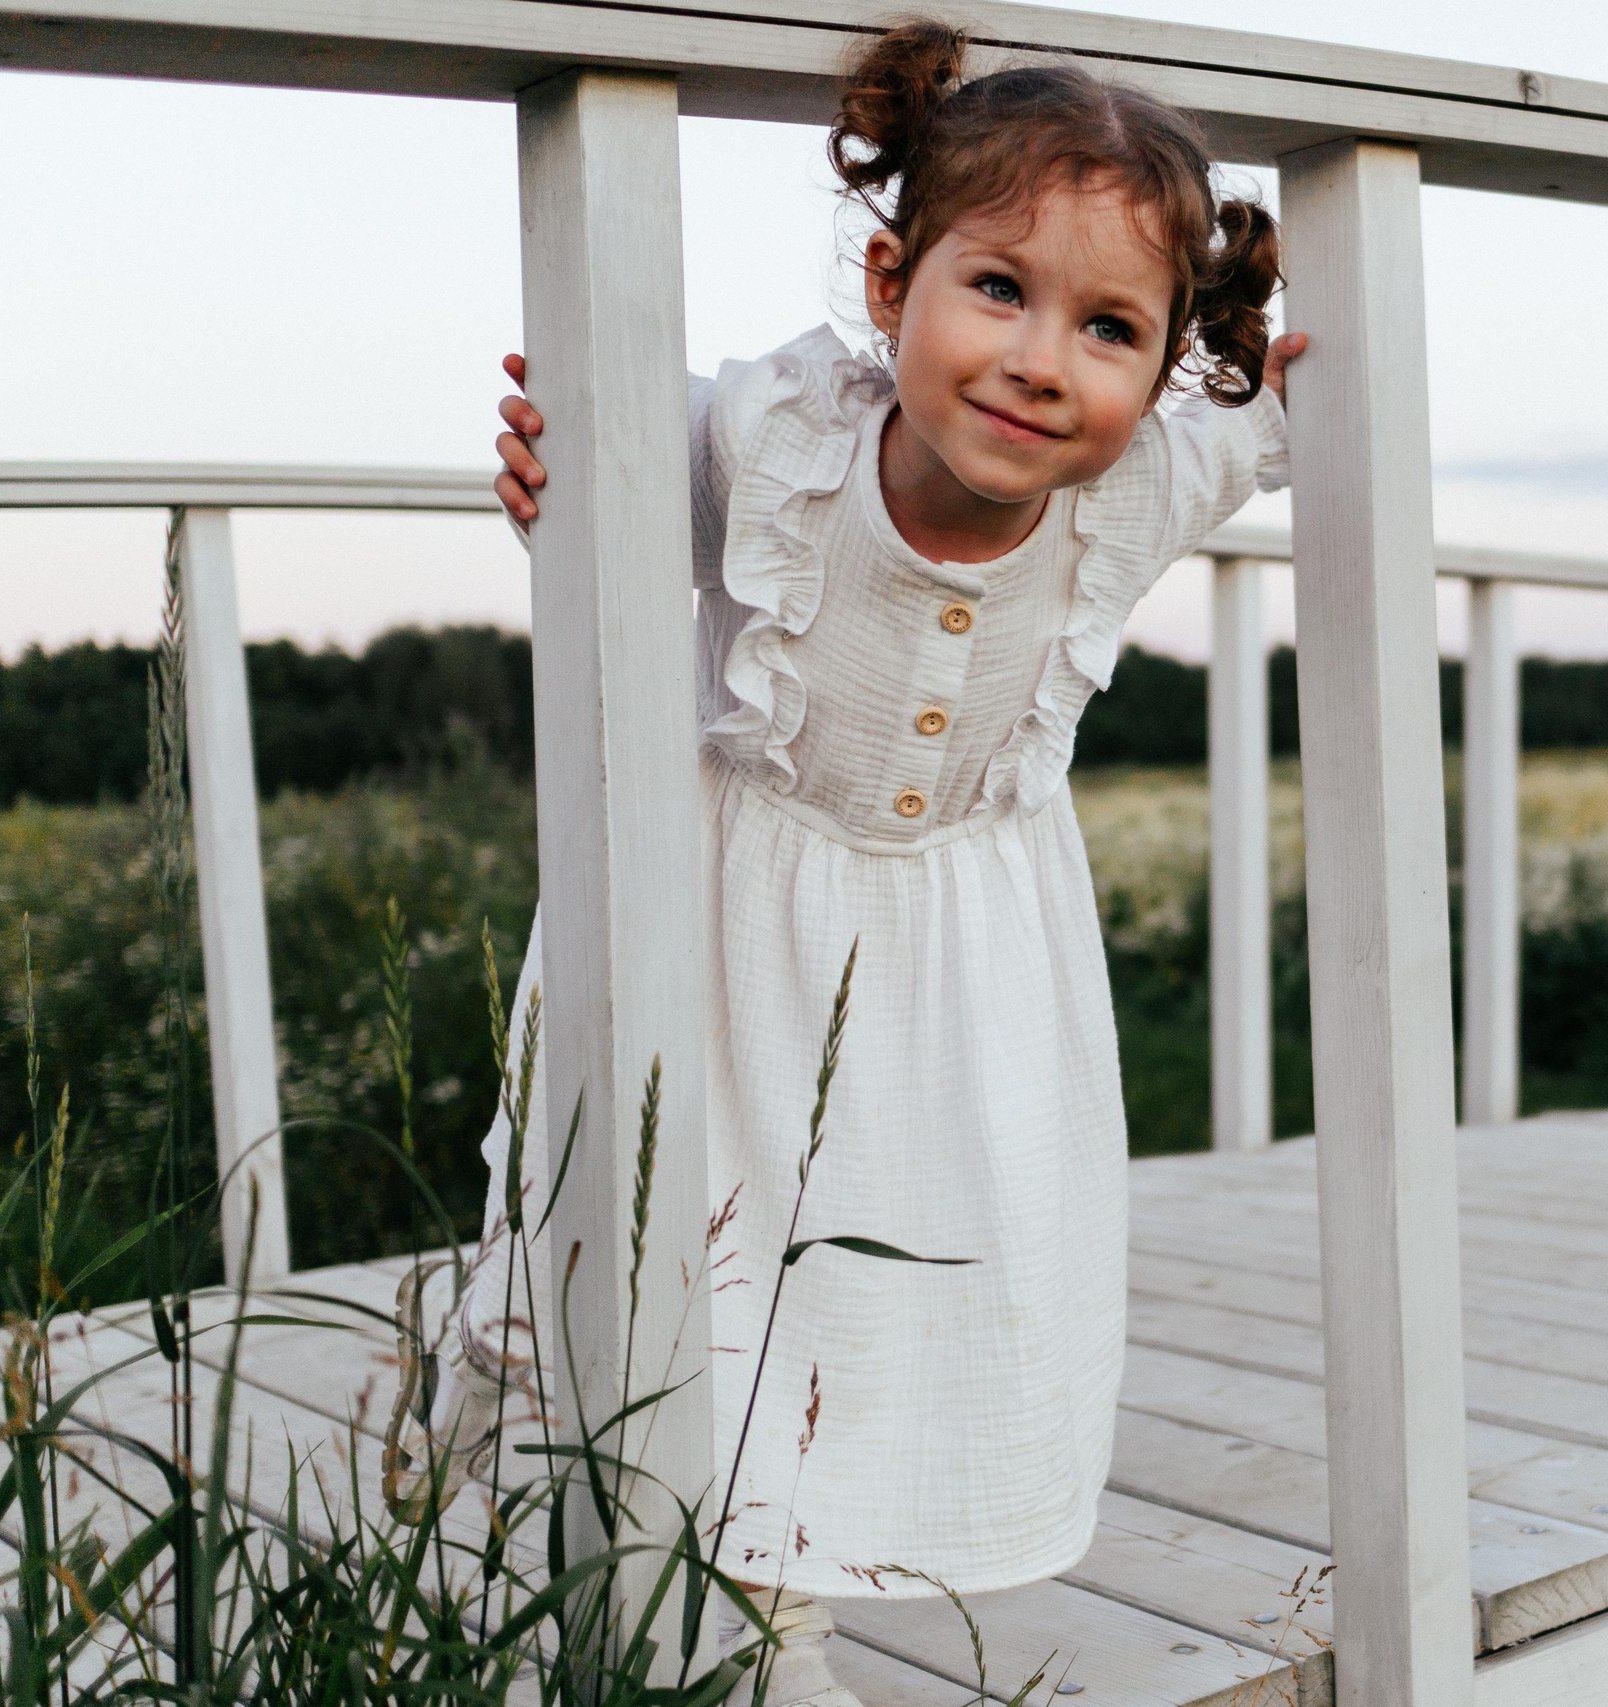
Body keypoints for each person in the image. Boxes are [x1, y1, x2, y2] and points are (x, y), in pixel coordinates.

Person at [383, 19, 1305, 1702]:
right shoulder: (778, 441)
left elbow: (1285, 412)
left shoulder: (1145, 481)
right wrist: (551, 461)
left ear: (1168, 356)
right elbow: (607, 430)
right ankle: (669, 1583)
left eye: (1111, 327)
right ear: (893, 285)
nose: (1043, 359)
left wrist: (1308, 338)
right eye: (999, 290)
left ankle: (761, 1598)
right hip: (728, 918)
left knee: (867, 1305)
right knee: (671, 1255)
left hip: (964, 969)